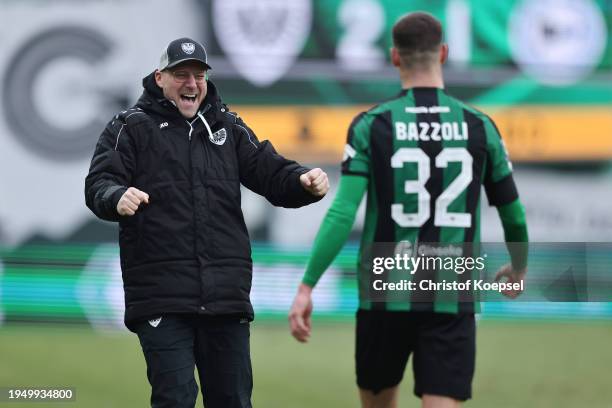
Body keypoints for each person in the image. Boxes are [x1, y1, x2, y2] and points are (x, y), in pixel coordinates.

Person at [288, 12, 528, 408]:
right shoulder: (480, 126)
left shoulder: (370, 125)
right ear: (444, 53)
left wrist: (307, 285)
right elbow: (513, 213)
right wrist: (518, 267)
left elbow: (342, 213)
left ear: (395, 57)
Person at [85, 37, 329, 408]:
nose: (191, 83)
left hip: (224, 297)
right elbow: (99, 183)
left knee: (232, 400)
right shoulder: (130, 126)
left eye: (198, 75)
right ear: (160, 78)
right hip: (161, 295)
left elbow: (268, 170)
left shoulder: (227, 124)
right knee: (175, 399)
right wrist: (116, 196)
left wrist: (301, 181)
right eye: (180, 74)